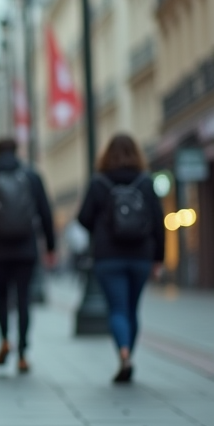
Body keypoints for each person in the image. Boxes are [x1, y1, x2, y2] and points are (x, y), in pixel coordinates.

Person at [77, 134, 164, 384]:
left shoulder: (98, 182)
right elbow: (159, 223)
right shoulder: (145, 182)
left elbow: (83, 218)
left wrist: (102, 225)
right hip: (140, 256)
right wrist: (158, 258)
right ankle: (128, 355)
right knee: (132, 309)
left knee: (116, 308)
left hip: (108, 257)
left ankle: (123, 354)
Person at [0, 137, 56, 373]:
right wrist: (50, 247)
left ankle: (5, 340)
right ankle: (23, 353)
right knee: (24, 298)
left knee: (2, 296)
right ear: (17, 150)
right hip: (26, 247)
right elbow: (46, 212)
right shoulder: (31, 176)